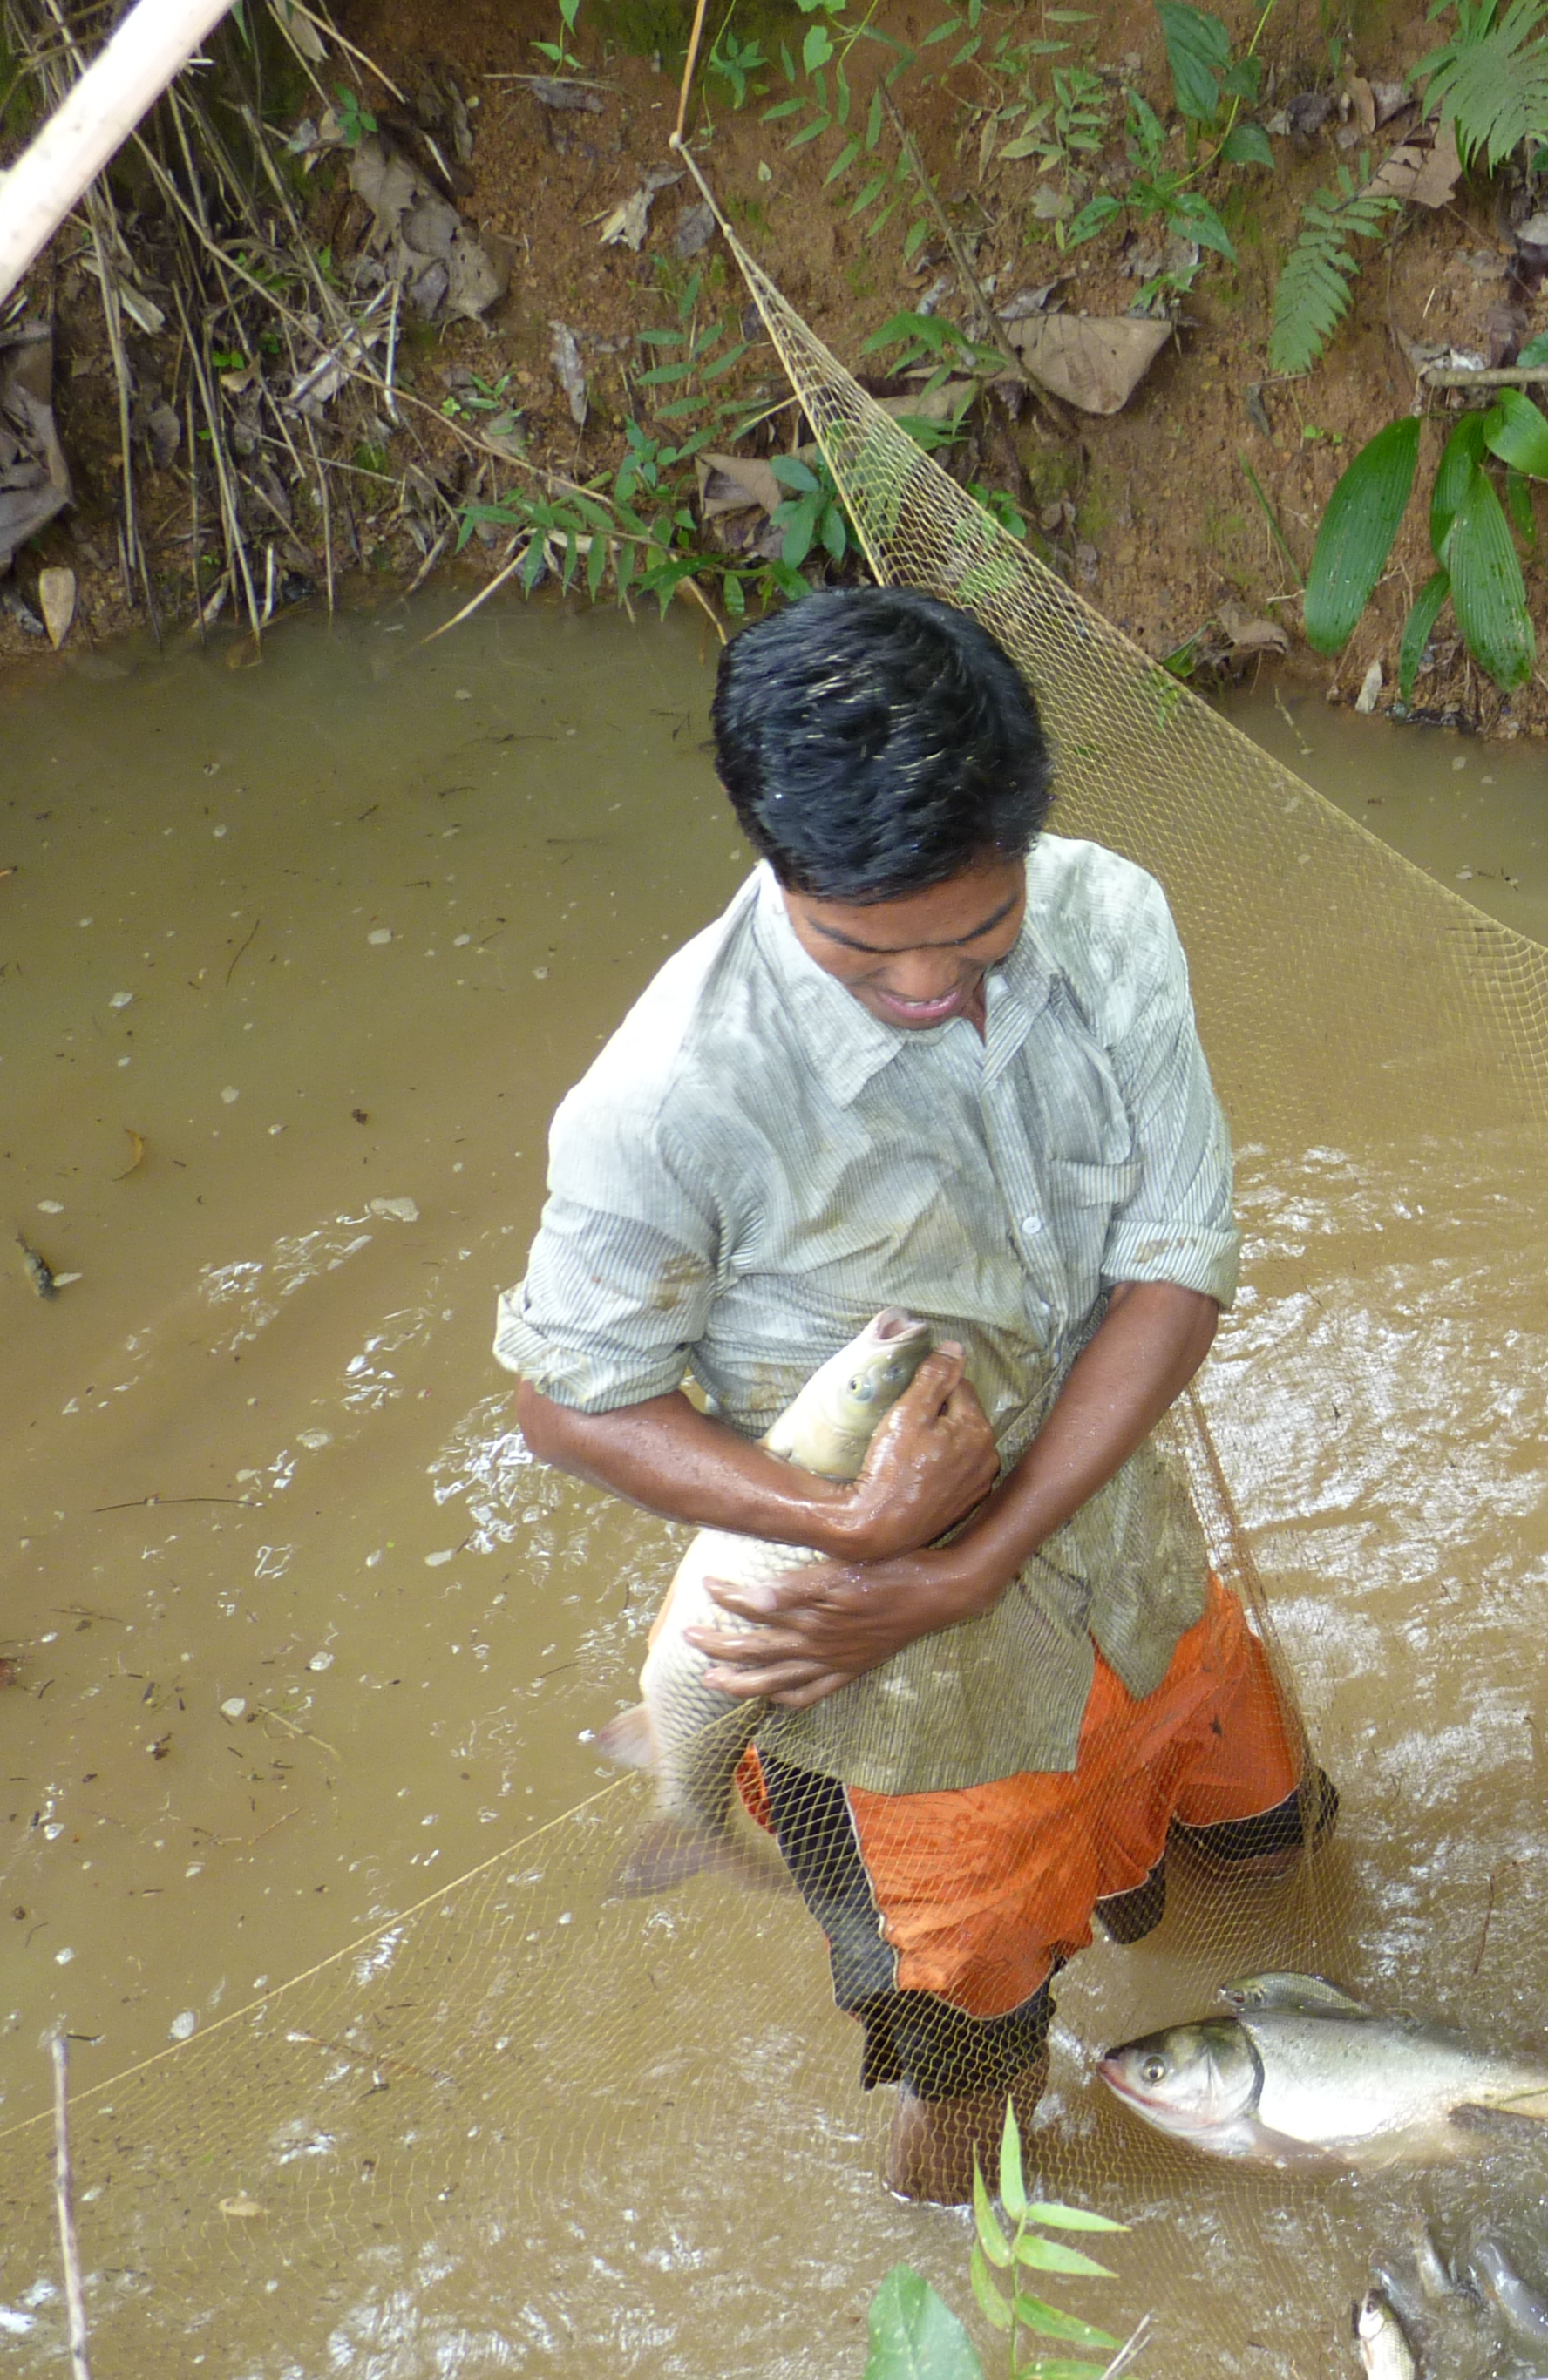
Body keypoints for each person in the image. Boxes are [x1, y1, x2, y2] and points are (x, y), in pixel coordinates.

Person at [497, 587, 1329, 2201]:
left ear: (1031, 837)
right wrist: (848, 1521)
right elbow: (569, 1401)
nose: (937, 984)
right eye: (866, 950)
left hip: (1132, 1576)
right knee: (974, 2090)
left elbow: (1176, 1258)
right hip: (893, 1722)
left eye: (979, 931)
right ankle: (972, 2313)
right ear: (776, 863)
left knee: (1276, 1853)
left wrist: (970, 1553)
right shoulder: (670, 1095)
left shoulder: (1108, 921)